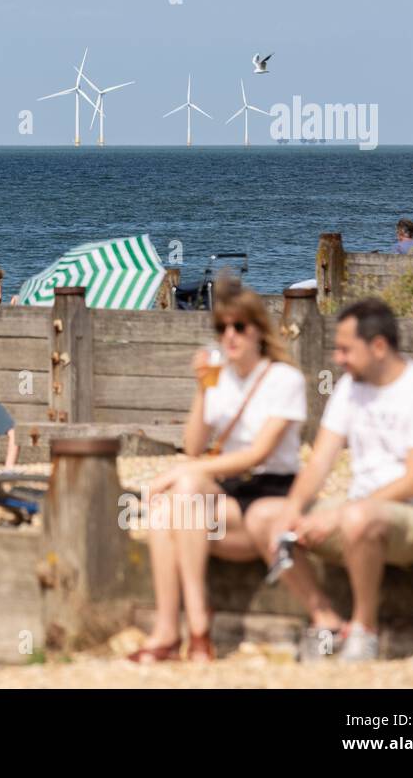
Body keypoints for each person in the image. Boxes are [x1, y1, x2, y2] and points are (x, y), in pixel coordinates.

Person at [245, 298, 413, 663]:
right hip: (361, 513)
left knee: (359, 519)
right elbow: (320, 462)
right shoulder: (348, 387)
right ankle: (324, 619)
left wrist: (342, 513)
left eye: (345, 349)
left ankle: (364, 631)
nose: (337, 359)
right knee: (264, 515)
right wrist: (293, 510)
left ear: (378, 346)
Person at [128, 282, 307, 664]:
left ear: (259, 329)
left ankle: (187, 628)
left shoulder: (283, 380)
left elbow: (257, 454)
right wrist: (201, 388)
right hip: (222, 499)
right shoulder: (219, 379)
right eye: (222, 328)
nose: (230, 335)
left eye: (239, 327)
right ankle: (182, 630)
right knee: (170, 506)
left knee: (182, 489)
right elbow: (193, 446)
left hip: (269, 494)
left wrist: (178, 473)